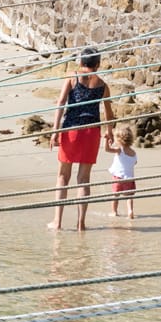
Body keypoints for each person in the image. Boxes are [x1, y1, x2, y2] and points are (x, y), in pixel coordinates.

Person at [48, 45, 114, 231]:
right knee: (84, 179)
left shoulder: (72, 77)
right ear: (98, 64)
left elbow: (61, 103)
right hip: (92, 132)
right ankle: (81, 223)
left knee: (63, 176)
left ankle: (58, 222)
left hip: (72, 131)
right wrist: (109, 131)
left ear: (80, 62)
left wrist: (55, 131)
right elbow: (108, 112)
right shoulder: (103, 85)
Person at [106, 124, 138, 219]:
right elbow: (135, 162)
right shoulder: (133, 153)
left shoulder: (120, 150)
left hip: (118, 178)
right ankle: (130, 211)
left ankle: (114, 212)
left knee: (115, 196)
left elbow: (107, 149)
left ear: (119, 139)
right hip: (129, 178)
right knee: (129, 196)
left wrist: (106, 139)